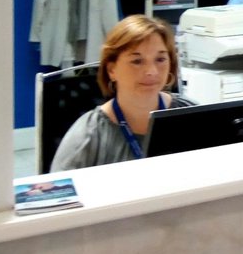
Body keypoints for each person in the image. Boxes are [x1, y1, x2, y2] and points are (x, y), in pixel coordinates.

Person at [50, 15, 196, 171]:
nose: (151, 71)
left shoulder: (191, 116)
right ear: (112, 70)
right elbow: (56, 186)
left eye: (160, 59)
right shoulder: (88, 135)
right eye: (137, 61)